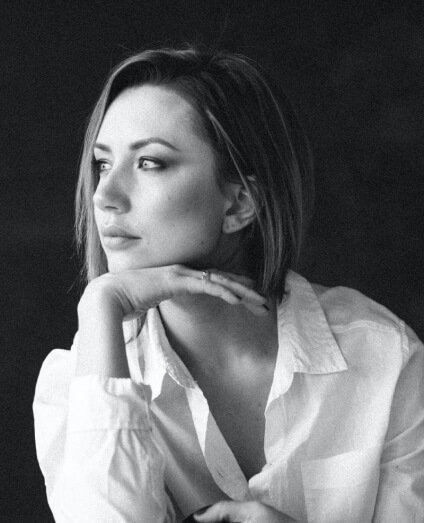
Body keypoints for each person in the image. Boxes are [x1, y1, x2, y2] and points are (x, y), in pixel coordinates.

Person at [33, 46, 424, 523]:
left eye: (149, 162)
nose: (104, 196)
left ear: (240, 204)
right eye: (101, 164)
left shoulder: (385, 360)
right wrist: (100, 301)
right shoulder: (79, 385)